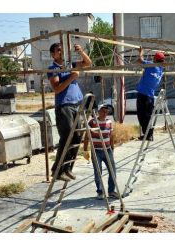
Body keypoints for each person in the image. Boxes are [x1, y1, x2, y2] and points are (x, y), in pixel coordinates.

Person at [47, 43, 92, 182]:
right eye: (58, 51)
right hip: (64, 106)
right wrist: (72, 77)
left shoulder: (70, 64)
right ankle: (57, 170)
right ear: (53, 54)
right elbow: (57, 88)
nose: (61, 53)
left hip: (76, 104)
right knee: (66, 138)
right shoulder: (52, 68)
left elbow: (88, 63)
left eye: (62, 50)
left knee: (77, 137)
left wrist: (81, 51)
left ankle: (68, 168)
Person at [83, 104, 118, 200]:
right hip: (96, 151)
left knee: (112, 170)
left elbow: (111, 136)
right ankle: (100, 192)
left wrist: (112, 148)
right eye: (103, 111)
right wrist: (85, 150)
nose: (105, 113)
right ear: (98, 112)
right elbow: (87, 136)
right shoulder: (92, 122)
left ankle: (111, 191)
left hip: (107, 150)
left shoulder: (109, 122)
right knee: (98, 172)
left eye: (106, 112)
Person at [136, 47, 164, 142]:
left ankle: (147, 135)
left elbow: (139, 60)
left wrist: (141, 52)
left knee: (141, 116)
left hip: (143, 95)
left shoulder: (151, 65)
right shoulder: (161, 70)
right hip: (150, 96)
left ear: (155, 59)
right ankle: (149, 134)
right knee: (148, 116)